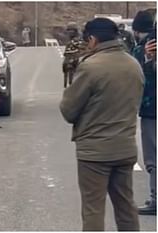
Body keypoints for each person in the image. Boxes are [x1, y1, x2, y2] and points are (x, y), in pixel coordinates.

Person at [59, 18, 144, 231]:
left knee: (93, 209)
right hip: (125, 147)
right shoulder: (134, 64)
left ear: (93, 39)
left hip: (94, 152)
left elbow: (68, 110)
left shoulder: (90, 67)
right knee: (126, 206)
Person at [131, 10, 157, 216]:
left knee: (153, 157)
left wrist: (146, 57)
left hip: (151, 109)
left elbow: (136, 74)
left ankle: (156, 198)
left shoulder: (141, 49)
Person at [62, 22, 86, 88]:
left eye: (72, 30)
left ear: (75, 31)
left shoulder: (79, 37)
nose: (70, 32)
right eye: (69, 30)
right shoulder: (67, 38)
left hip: (77, 55)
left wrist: (80, 50)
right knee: (64, 65)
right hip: (68, 55)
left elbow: (82, 46)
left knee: (81, 65)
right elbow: (67, 48)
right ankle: (66, 76)